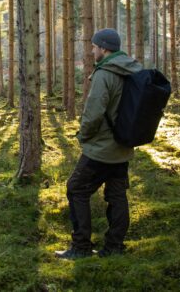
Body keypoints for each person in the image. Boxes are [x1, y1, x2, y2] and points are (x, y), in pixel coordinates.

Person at [55, 28, 142, 260]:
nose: (92, 50)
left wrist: (83, 136)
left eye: (94, 46)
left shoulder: (105, 73)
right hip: (123, 147)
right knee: (117, 195)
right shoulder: (131, 69)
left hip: (102, 149)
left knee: (76, 188)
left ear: (104, 48)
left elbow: (93, 114)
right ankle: (114, 246)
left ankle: (81, 246)